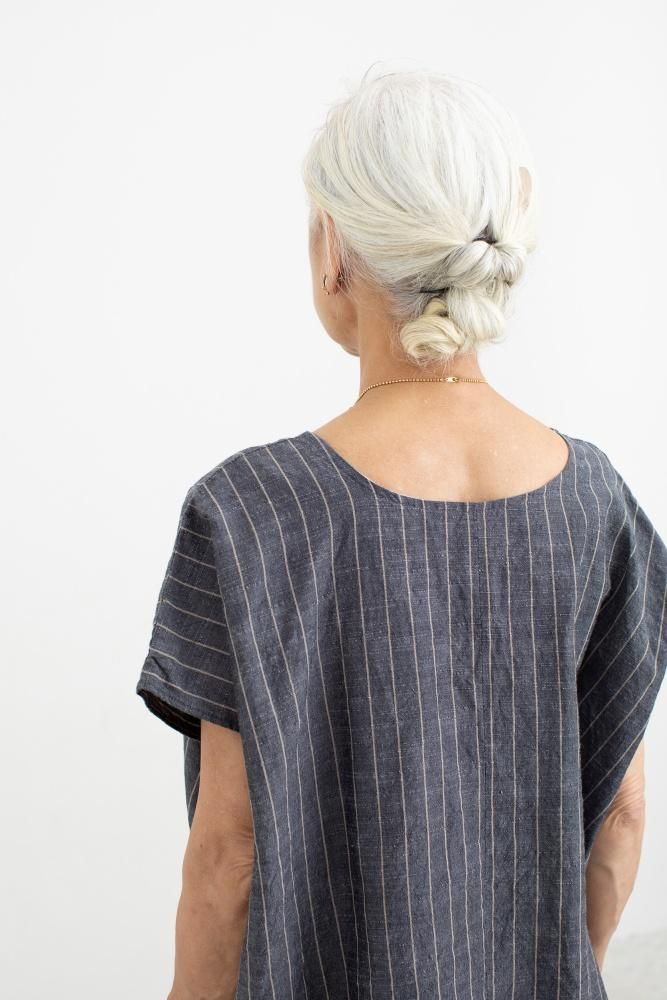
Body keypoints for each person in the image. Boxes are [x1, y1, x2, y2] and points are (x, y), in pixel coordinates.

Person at [135, 66, 667, 1000]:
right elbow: (619, 818)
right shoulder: (594, 503)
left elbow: (230, 854)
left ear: (334, 249)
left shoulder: (253, 511)